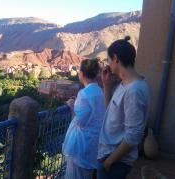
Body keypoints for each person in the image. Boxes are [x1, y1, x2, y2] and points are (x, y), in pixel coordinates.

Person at [97, 36, 150, 179]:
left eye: (108, 60)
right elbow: (111, 111)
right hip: (109, 155)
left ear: (116, 59)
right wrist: (106, 86)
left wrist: (109, 161)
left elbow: (134, 134)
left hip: (116, 162)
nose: (107, 64)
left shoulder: (134, 90)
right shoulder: (124, 84)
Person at [62, 58, 106, 179]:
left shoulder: (84, 94)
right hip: (94, 142)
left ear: (82, 73)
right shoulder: (100, 91)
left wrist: (72, 106)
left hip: (82, 145)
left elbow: (80, 121)